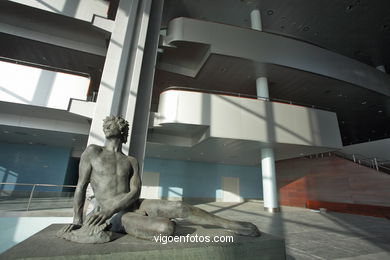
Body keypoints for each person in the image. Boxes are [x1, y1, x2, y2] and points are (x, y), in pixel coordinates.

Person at [61, 116, 260, 240]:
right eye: (105, 123)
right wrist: (78, 220)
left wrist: (116, 205)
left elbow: (135, 191)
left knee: (180, 207)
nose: (106, 125)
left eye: (111, 123)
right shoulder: (92, 152)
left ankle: (230, 224)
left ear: (122, 131)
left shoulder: (130, 161)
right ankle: (140, 223)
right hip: (113, 216)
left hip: (133, 204)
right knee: (166, 228)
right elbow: (80, 186)